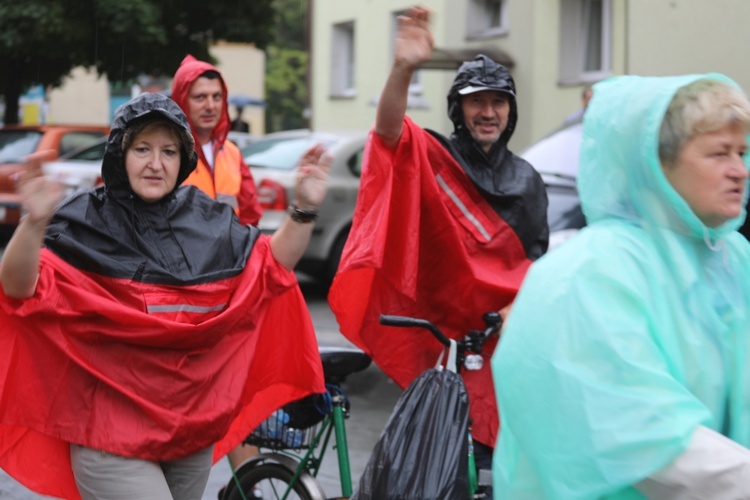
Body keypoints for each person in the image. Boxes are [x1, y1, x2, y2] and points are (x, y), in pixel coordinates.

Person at [0, 92, 330, 500]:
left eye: (169, 151)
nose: (156, 163)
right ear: (120, 154)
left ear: (183, 159)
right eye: (142, 148)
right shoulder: (82, 221)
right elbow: (18, 289)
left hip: (190, 435)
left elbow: (271, 267)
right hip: (111, 436)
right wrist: (34, 224)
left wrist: (303, 208)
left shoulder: (209, 220)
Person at [492, 74, 750, 498]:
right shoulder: (587, 273)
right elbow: (637, 431)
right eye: (719, 153)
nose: (739, 171)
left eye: (742, 152)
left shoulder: (728, 258)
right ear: (655, 164)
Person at [328, 5, 548, 486]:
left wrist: (521, 307)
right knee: (441, 473)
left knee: (506, 471)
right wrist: (404, 66)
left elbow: (537, 265)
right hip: (444, 345)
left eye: (499, 101)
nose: (488, 112)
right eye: (476, 101)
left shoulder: (529, 180)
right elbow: (388, 133)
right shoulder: (434, 157)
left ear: (511, 109)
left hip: (507, 347)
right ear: (457, 109)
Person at [171, 54, 263, 226]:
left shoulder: (232, 153)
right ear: (182, 100)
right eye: (200, 97)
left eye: (217, 97)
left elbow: (250, 215)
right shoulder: (167, 153)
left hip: (229, 251)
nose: (211, 106)